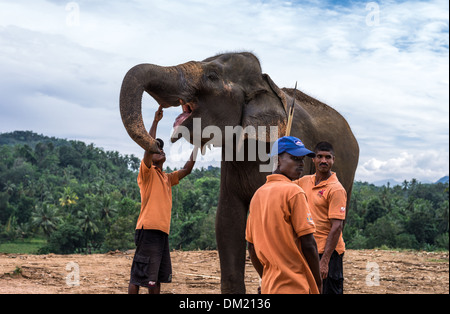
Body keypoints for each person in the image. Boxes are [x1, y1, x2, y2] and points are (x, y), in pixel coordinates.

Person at [128, 105, 198, 294]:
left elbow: (187, 169)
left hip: (161, 233)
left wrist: (198, 144)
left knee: (155, 278)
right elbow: (148, 146)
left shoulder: (167, 178)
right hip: (148, 230)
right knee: (138, 276)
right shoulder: (147, 174)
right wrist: (155, 122)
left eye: (162, 148)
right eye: (157, 149)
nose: (161, 150)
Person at [245, 136, 322, 294]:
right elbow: (308, 243)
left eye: (302, 159)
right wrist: (318, 283)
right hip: (295, 285)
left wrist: (265, 276)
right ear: (277, 160)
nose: (301, 164)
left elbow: (251, 247)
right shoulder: (294, 192)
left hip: (269, 286)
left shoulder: (258, 195)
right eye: (294, 158)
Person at [296, 141, 346, 294]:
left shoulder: (336, 189)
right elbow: (285, 187)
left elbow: (337, 226)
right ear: (313, 159)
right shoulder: (304, 181)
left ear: (333, 160)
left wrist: (324, 261)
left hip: (328, 253)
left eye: (327, 157)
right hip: (309, 248)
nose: (323, 161)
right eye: (319, 156)